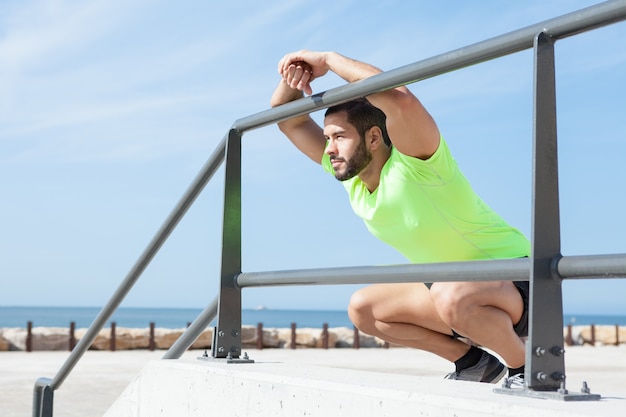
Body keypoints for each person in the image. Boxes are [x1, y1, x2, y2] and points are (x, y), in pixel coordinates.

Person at [270, 50, 529, 384]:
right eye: (327, 138)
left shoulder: (418, 163)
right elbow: (285, 118)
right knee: (363, 307)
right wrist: (294, 77)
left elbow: (399, 98)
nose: (329, 148)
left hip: (517, 279)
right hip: (452, 291)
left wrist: (328, 60)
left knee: (450, 294)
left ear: (374, 138)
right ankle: (474, 362)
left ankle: (525, 369)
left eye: (339, 137)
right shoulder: (354, 181)